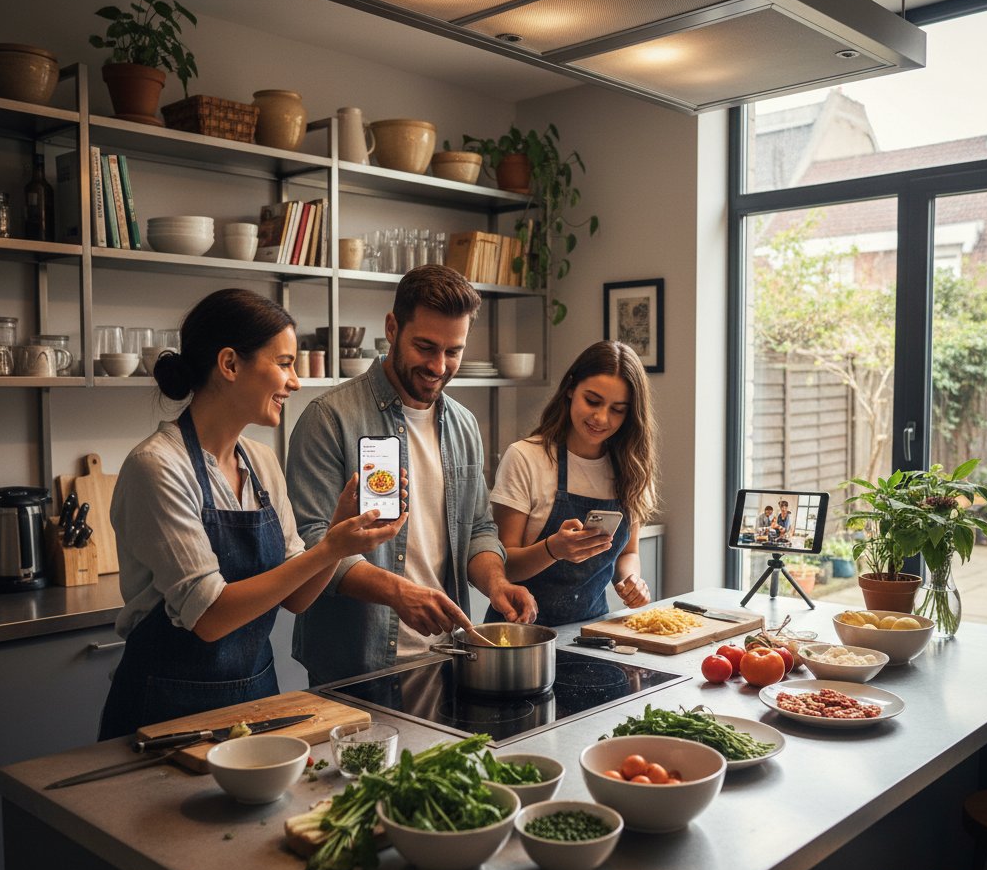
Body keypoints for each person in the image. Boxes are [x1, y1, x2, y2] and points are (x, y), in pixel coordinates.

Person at [99, 289, 405, 739]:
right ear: (229, 365)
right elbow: (209, 618)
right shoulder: (157, 467)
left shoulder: (261, 463)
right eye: (284, 363)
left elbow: (297, 598)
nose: (296, 382)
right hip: (166, 712)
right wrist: (330, 551)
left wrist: (334, 540)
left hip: (256, 700)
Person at [286, 264, 537, 685]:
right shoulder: (329, 418)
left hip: (448, 656)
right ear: (392, 327)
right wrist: (398, 593)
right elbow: (312, 542)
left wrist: (495, 582)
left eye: (453, 351)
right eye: (425, 347)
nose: (439, 366)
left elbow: (478, 527)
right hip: (356, 666)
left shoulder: (463, 424)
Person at [485, 340, 659, 627]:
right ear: (570, 389)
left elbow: (628, 553)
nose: (601, 418)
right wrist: (553, 550)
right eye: (592, 400)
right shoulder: (526, 457)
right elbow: (503, 567)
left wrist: (631, 580)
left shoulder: (633, 468)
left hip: (592, 633)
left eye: (618, 409)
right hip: (520, 636)